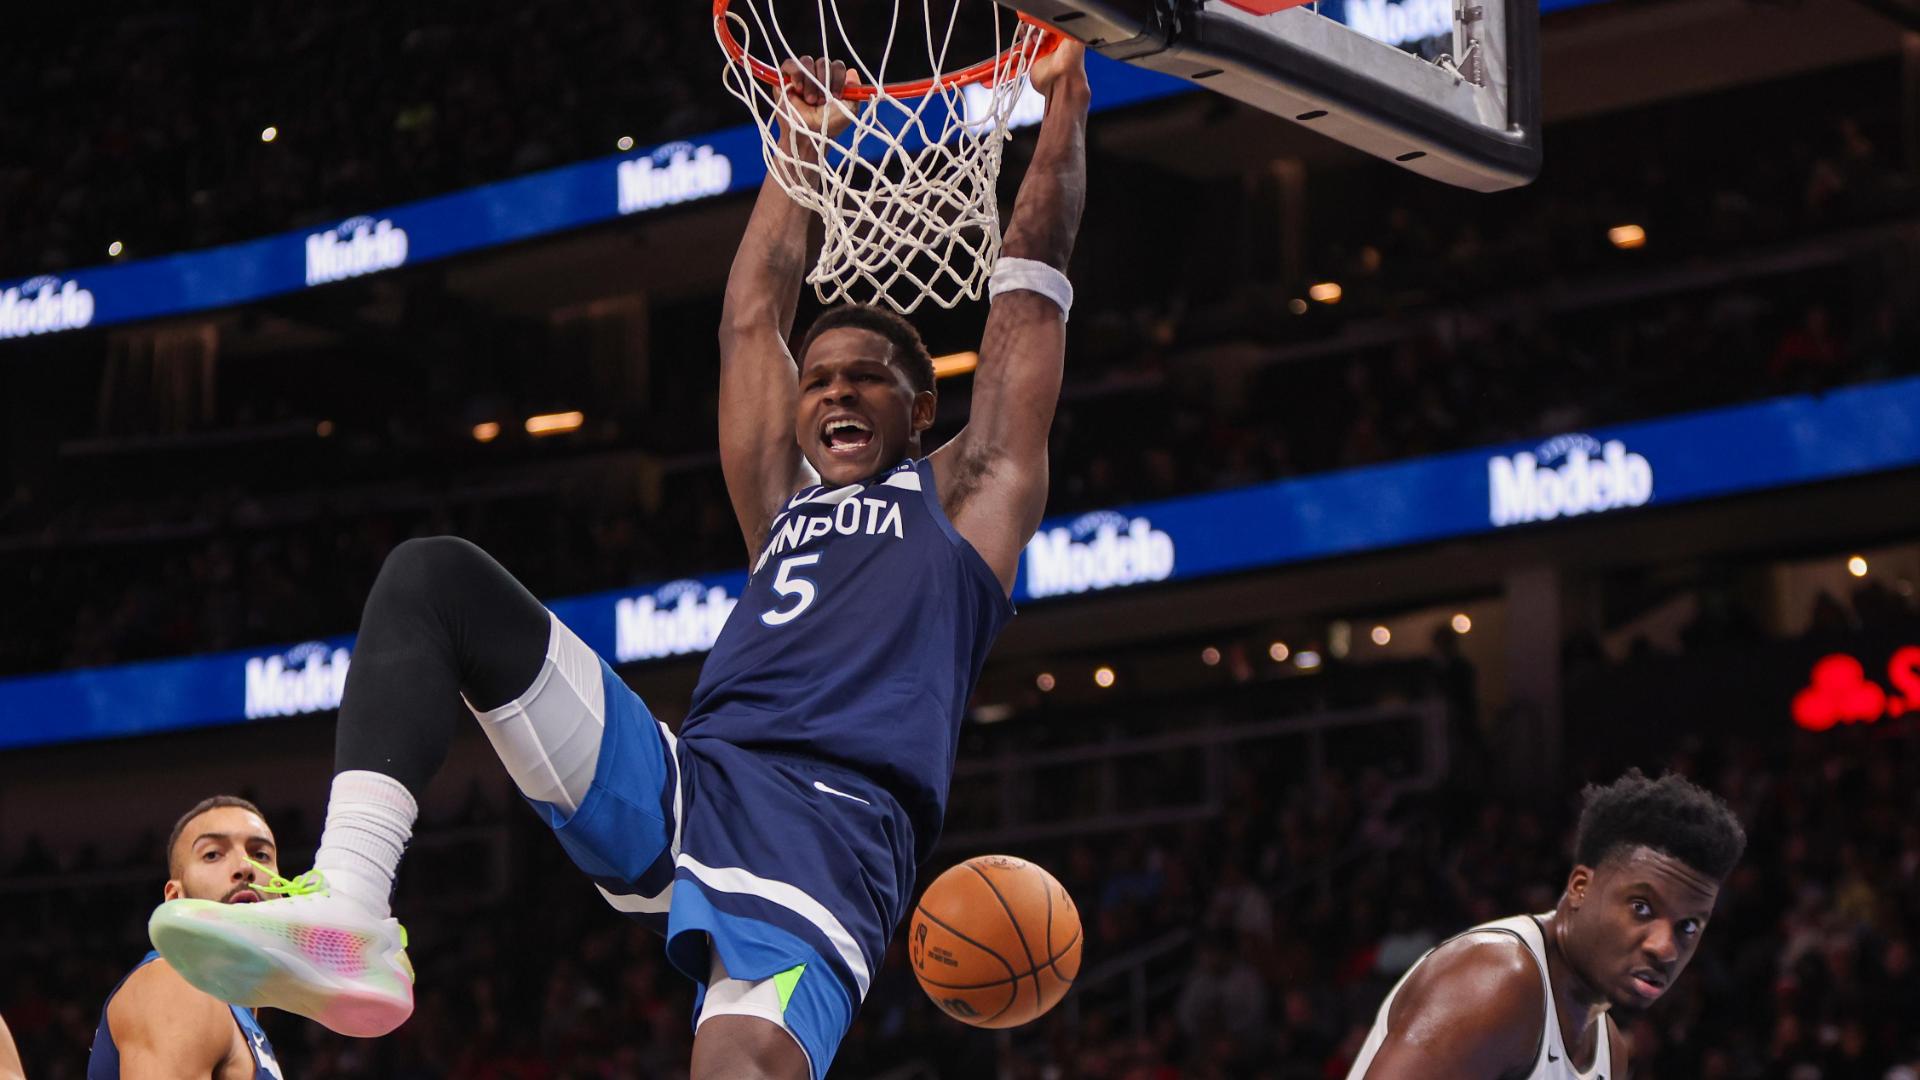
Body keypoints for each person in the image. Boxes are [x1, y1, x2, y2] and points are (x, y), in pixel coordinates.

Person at [149, 39, 1091, 1080]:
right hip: (691, 780)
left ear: (921, 410)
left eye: (865, 378)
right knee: (434, 580)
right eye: (819, 378)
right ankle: (350, 907)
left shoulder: (967, 497)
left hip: (832, 830)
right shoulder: (781, 503)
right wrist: (798, 144)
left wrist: (1063, 106)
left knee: (734, 1067)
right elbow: (750, 323)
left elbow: (1028, 298)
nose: (833, 391)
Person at [1346, 770, 1747, 1079]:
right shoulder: (1496, 983)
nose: (1665, 948)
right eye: (1641, 908)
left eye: (1688, 927)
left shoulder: (1609, 1050)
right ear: (1580, 887)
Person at [91, 796, 289, 1080]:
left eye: (260, 855)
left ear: (281, 892)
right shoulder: (176, 982)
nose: (245, 867)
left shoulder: (238, 1011)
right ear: (176, 898)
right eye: (212, 855)